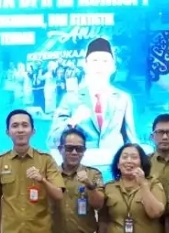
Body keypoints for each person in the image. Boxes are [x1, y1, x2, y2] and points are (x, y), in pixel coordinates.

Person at [49, 37, 137, 167]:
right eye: (94, 60)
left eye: (105, 61)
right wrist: (73, 121)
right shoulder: (71, 98)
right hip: (82, 166)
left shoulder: (123, 98)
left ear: (113, 66)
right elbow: (52, 140)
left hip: (115, 166)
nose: (99, 66)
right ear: (85, 65)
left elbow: (130, 139)